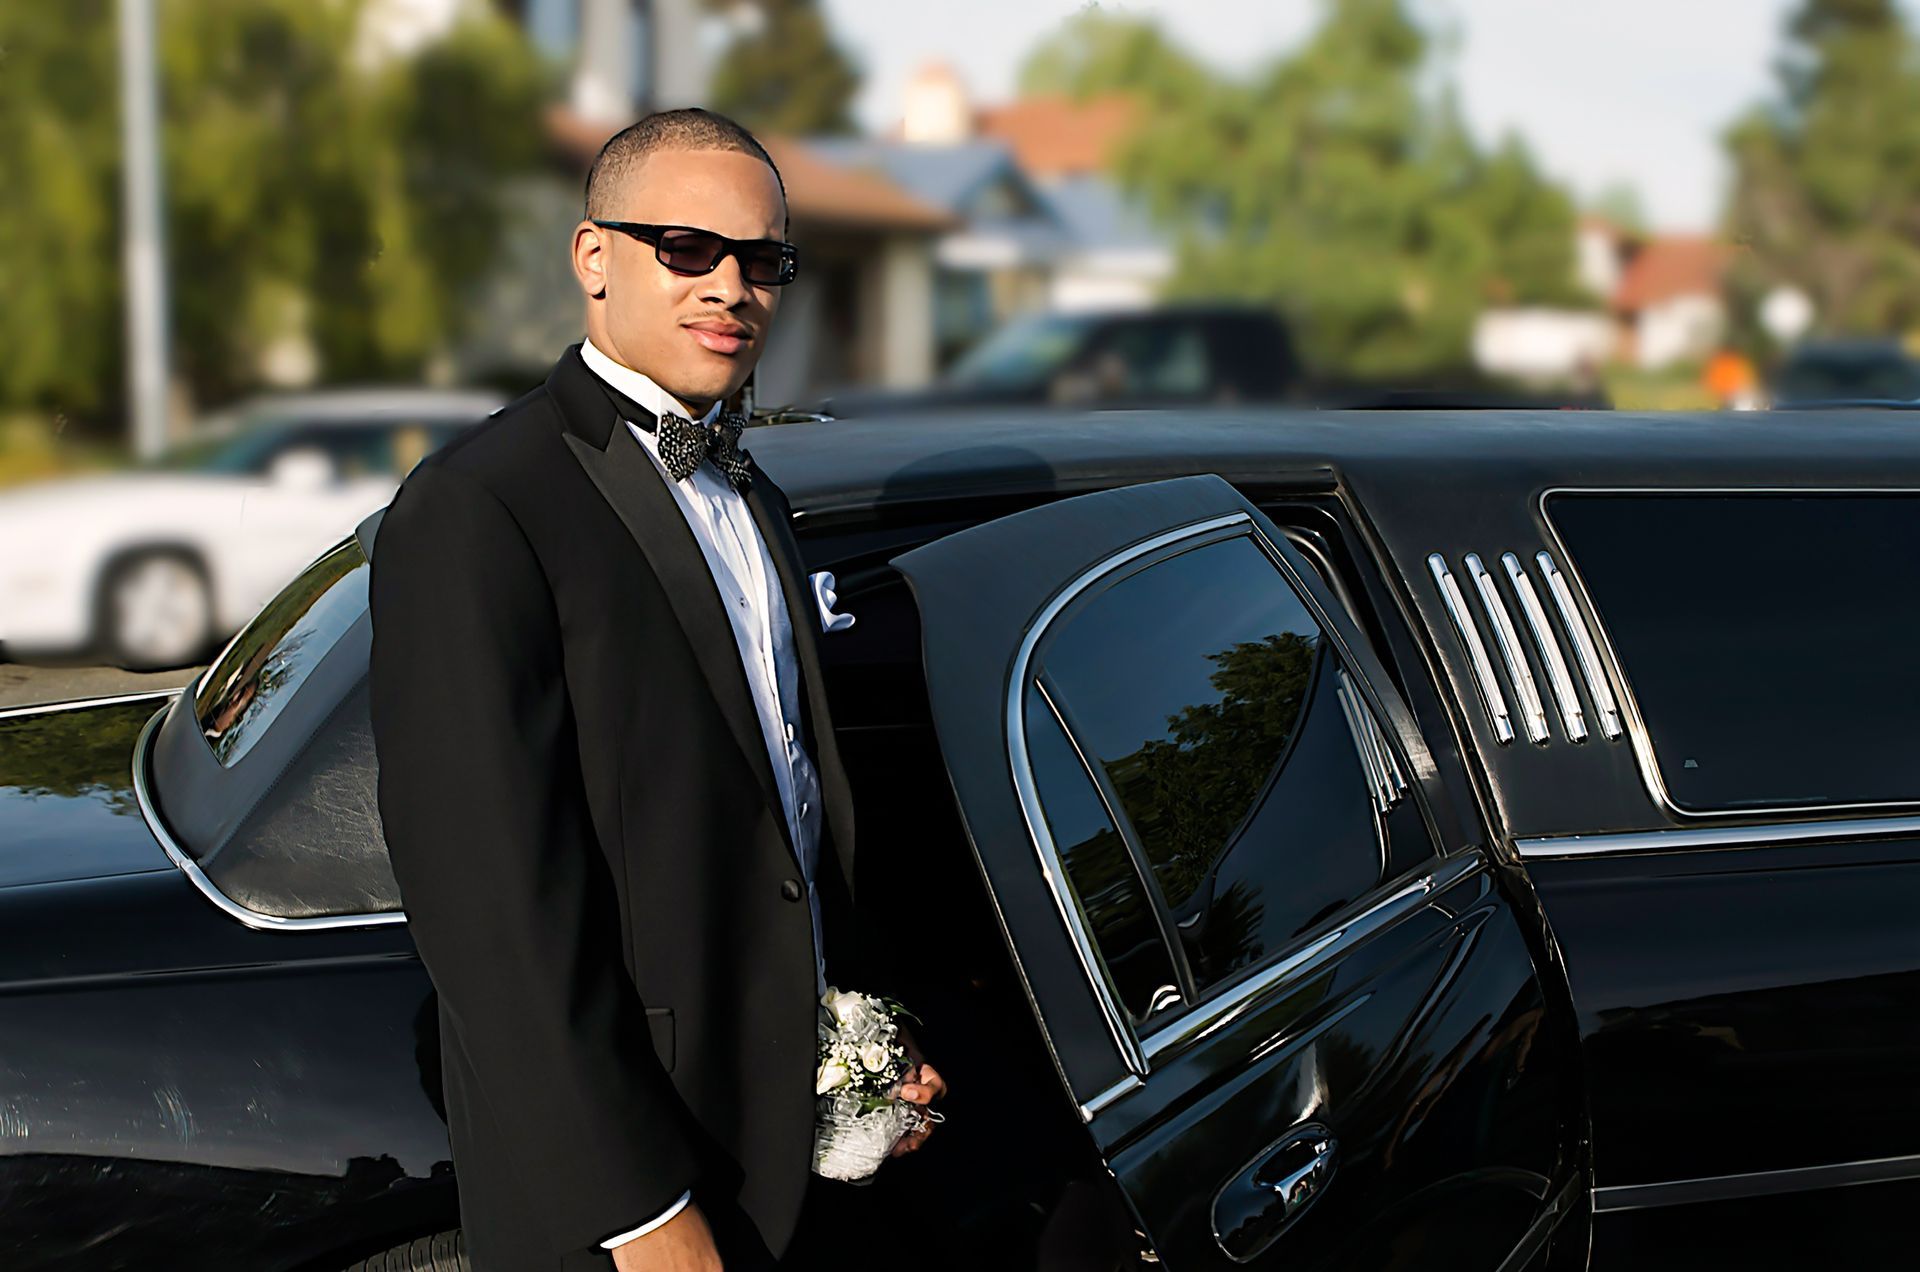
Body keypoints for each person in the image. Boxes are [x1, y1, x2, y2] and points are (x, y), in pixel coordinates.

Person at [367, 108, 944, 1271]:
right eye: (686, 248)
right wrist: (638, 1207)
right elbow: (490, 909)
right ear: (593, 257)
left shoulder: (756, 497)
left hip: (798, 1137)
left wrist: (877, 1041)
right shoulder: (480, 507)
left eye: (763, 260)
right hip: (632, 1174)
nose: (730, 285)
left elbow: (793, 812)